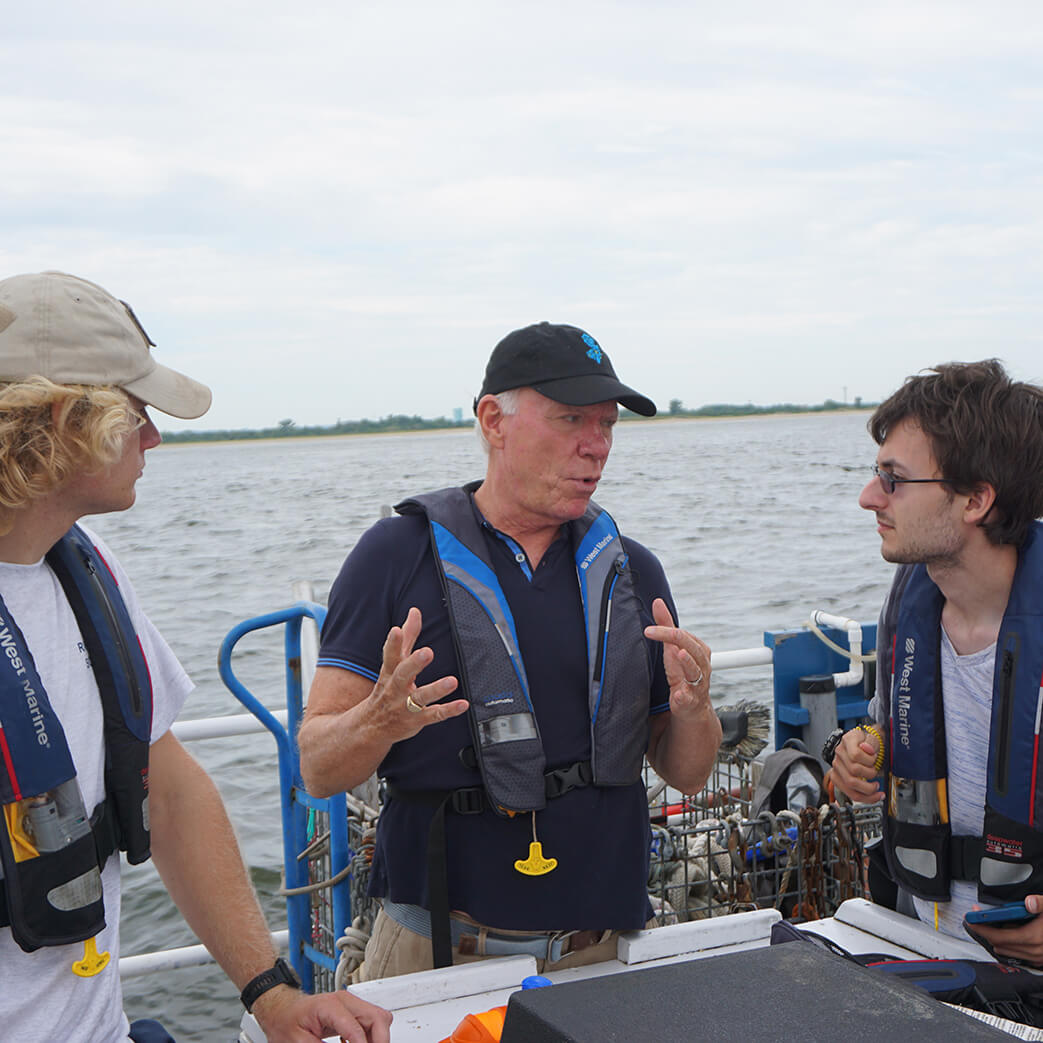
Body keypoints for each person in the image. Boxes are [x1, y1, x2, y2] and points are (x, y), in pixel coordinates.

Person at [0, 271, 391, 1043]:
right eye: (135, 414)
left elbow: (170, 790)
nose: (152, 437)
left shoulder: (85, 567)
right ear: (58, 423)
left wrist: (271, 993)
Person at [299, 321, 722, 980]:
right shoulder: (393, 556)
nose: (595, 445)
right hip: (434, 949)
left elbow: (688, 774)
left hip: (601, 949)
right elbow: (319, 768)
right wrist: (378, 719)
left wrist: (695, 709)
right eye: (571, 418)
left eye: (607, 425)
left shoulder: (634, 572)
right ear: (493, 420)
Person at [830, 359, 1043, 965]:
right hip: (928, 953)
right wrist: (859, 749)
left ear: (976, 499)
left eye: (894, 479)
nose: (869, 497)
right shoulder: (911, 612)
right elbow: (890, 724)